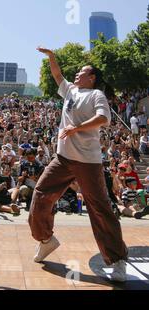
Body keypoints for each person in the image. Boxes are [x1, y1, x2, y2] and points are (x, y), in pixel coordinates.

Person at [30, 47, 128, 282]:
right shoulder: (71, 90)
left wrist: (76, 128)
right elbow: (56, 75)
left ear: (92, 77)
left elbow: (104, 118)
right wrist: (52, 57)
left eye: (82, 72)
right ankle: (46, 240)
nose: (76, 75)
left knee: (100, 208)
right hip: (62, 158)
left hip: (88, 161)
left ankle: (117, 260)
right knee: (40, 195)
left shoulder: (97, 96)